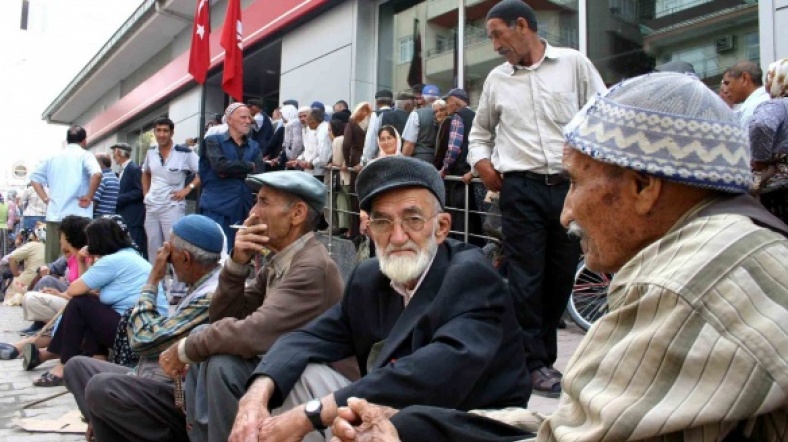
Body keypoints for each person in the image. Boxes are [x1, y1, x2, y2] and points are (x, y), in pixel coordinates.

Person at [338, 71, 788, 442]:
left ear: (642, 188)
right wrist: (412, 426)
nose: (566, 212)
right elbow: (576, 423)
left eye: (574, 182)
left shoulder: (683, 285)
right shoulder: (727, 245)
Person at [228, 156, 529, 442]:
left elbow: (429, 376)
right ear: (369, 230)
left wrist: (309, 414)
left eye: (412, 219)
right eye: (383, 223)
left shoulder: (471, 275)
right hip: (391, 412)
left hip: (471, 422)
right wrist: (256, 395)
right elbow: (306, 338)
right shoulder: (370, 278)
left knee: (380, 422)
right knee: (296, 378)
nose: (397, 237)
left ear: (441, 228)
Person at [467, 0, 606, 397]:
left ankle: (541, 356)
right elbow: (480, 134)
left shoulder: (574, 65)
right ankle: (534, 363)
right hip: (519, 189)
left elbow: (602, 114)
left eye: (497, 34)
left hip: (570, 189)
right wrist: (483, 165)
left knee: (560, 276)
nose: (494, 45)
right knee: (525, 279)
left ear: (522, 25)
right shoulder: (497, 80)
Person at [155, 171, 346, 442]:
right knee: (211, 349)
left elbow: (253, 333)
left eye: (264, 202)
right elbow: (224, 318)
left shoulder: (312, 266)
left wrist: (186, 348)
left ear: (297, 214)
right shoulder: (282, 262)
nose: (253, 212)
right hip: (290, 371)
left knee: (222, 364)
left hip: (322, 388)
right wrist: (237, 263)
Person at [63, 214, 225, 442]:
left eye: (170, 253)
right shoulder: (196, 285)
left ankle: (109, 426)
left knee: (102, 388)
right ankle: (105, 425)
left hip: (177, 392)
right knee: (76, 367)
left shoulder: (211, 294)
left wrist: (152, 280)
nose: (165, 259)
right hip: (152, 374)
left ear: (186, 258)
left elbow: (143, 341)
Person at [22, 216, 168, 387]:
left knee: (80, 303)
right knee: (91, 305)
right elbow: (91, 291)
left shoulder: (112, 261)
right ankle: (99, 360)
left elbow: (74, 290)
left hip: (137, 332)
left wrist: (82, 260)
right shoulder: (129, 255)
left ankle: (63, 366)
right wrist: (83, 262)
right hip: (142, 328)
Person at [30, 125, 102, 263]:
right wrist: (89, 196)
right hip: (79, 216)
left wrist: (45, 198)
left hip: (55, 214)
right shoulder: (85, 155)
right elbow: (97, 174)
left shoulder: (52, 157)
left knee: (52, 261)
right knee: (77, 260)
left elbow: (34, 178)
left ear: (67, 140)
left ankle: (50, 282)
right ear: (84, 140)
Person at [199, 103, 263, 247]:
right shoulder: (213, 141)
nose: (248, 121)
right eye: (243, 117)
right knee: (215, 252)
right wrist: (248, 166)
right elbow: (219, 166)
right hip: (218, 207)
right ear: (229, 120)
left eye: (249, 118)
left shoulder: (254, 146)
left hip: (244, 209)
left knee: (240, 253)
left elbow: (259, 172)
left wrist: (230, 170)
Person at [18, 216, 91, 337]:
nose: (60, 241)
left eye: (62, 237)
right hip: (70, 295)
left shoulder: (86, 257)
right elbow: (53, 267)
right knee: (31, 295)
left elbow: (84, 291)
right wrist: (44, 269)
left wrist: (61, 294)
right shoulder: (70, 256)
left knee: (35, 294)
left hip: (76, 301)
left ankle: (49, 329)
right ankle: (44, 326)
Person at [143, 117, 201, 263]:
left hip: (172, 206)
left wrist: (188, 189)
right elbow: (146, 172)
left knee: (174, 246)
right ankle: (156, 284)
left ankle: (178, 286)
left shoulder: (185, 152)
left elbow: (203, 173)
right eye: (158, 130)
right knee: (153, 247)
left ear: (172, 133)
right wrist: (146, 194)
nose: (162, 134)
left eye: (165, 131)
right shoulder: (151, 152)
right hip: (152, 206)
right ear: (154, 132)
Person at [437, 88, 485, 246]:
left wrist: (444, 169)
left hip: (459, 177)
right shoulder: (476, 115)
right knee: (473, 219)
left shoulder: (458, 116)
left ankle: (460, 252)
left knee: (460, 219)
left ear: (456, 103)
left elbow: (454, 148)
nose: (446, 106)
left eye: (448, 102)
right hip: (474, 174)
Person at [750, 58, 788, 224]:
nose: (766, 86)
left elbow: (761, 124)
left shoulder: (777, 106)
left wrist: (760, 159)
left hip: (780, 190)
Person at [342, 102, 373, 238]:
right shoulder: (373, 120)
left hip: (355, 159)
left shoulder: (352, 121)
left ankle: (355, 231)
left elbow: (346, 143)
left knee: (355, 196)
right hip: (370, 159)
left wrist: (346, 161)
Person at [112, 143, 147, 259]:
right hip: (126, 215)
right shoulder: (125, 169)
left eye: (114, 153)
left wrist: (119, 199)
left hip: (133, 216)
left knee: (135, 245)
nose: (113, 156)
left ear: (119, 153)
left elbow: (139, 191)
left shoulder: (133, 169)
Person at [4, 224, 46, 302]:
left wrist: (16, 274)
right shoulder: (51, 248)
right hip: (43, 283)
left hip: (28, 282)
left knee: (8, 276)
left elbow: (11, 258)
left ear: (36, 236)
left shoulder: (32, 245)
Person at [722, 60, 770, 128]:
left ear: (744, 78)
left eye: (727, 83)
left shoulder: (751, 111)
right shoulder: (771, 99)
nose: (725, 90)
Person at [401, 84, 441, 162]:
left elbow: (409, 143)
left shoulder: (416, 114)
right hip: (439, 160)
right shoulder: (446, 114)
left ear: (422, 99)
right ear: (439, 99)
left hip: (420, 159)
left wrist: (402, 162)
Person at [327, 119, 350, 236]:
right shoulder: (345, 139)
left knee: (342, 203)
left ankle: (344, 228)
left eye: (330, 130)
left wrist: (332, 164)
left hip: (342, 177)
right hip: (347, 177)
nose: (328, 133)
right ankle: (347, 229)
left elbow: (337, 161)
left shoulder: (337, 140)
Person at [361, 89, 395, 164]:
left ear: (377, 102)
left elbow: (371, 138)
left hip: (382, 157)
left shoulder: (376, 115)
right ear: (391, 102)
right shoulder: (397, 114)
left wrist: (365, 159)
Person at [93, 153, 120, 218]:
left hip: (98, 218)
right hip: (110, 217)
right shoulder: (115, 178)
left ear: (100, 164)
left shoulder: (101, 178)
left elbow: (94, 201)